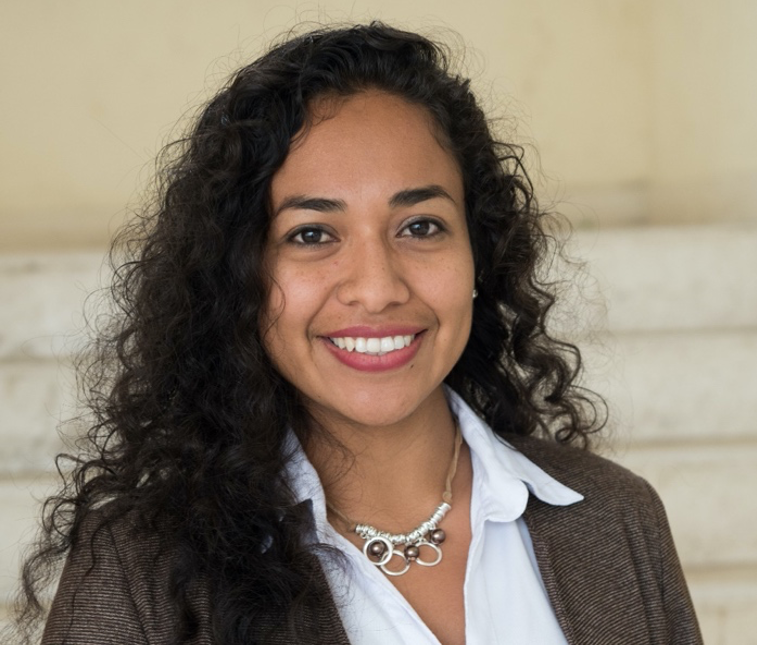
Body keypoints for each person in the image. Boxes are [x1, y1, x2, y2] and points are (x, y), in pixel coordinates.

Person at [14, 23, 701, 645]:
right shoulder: (142, 568)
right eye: (311, 234)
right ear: (238, 278)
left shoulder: (614, 517)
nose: (376, 288)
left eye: (420, 226)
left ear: (479, 256)